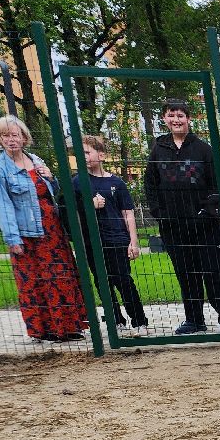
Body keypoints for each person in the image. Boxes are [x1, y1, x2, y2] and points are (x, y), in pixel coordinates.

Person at [0, 114, 88, 342]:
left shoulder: (35, 159)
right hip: (27, 235)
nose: (11, 140)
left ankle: (70, 326)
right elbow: (3, 206)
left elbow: (52, 192)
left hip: (52, 231)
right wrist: (13, 239)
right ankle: (47, 330)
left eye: (15, 135)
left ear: (24, 137)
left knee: (60, 276)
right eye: (5, 136)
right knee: (35, 281)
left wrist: (51, 178)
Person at [144, 99, 220, 335]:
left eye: (180, 115)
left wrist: (207, 212)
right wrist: (160, 214)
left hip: (205, 225)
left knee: (214, 273)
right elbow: (151, 186)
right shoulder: (157, 150)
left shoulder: (203, 149)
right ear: (164, 118)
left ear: (188, 119)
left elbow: (216, 185)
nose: (176, 120)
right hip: (173, 226)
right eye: (171, 115)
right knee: (186, 275)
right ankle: (194, 320)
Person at [76, 134, 148, 335]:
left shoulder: (116, 182)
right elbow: (71, 210)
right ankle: (116, 320)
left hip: (116, 239)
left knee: (123, 280)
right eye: (80, 153)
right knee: (102, 281)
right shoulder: (77, 182)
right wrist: (89, 205)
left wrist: (133, 241)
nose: (84, 157)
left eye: (87, 152)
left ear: (101, 155)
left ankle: (139, 321)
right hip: (92, 240)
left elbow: (128, 213)